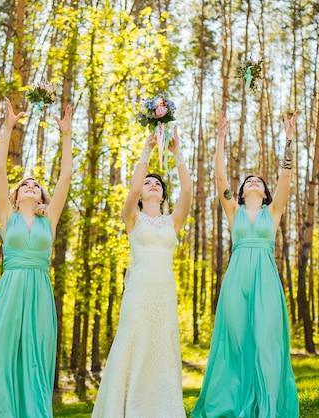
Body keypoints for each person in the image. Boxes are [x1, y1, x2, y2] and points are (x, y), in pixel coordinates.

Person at [0, 98, 73, 417]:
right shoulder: (6, 215)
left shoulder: (49, 219)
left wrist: (66, 136)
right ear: (15, 195)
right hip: (10, 290)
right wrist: (7, 128)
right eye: (24, 184)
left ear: (42, 197)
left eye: (36, 185)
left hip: (39, 292)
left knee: (35, 358)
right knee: (1, 355)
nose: (30, 186)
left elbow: (65, 177)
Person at [192, 111, 299, 418]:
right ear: (240, 193)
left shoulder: (274, 210)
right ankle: (231, 399)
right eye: (248, 180)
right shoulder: (232, 209)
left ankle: (267, 402)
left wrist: (289, 138)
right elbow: (220, 179)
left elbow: (286, 176)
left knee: (266, 338)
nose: (253, 181)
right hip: (237, 280)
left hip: (265, 279)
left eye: (259, 181)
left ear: (265, 194)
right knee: (235, 338)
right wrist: (222, 137)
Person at [92, 127, 192, 417]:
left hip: (165, 295)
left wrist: (177, 153)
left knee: (162, 347)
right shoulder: (132, 219)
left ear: (162, 195)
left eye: (157, 184)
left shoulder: (173, 222)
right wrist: (147, 151)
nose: (152, 185)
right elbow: (133, 188)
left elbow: (186, 191)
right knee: (133, 343)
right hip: (139, 292)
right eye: (148, 182)